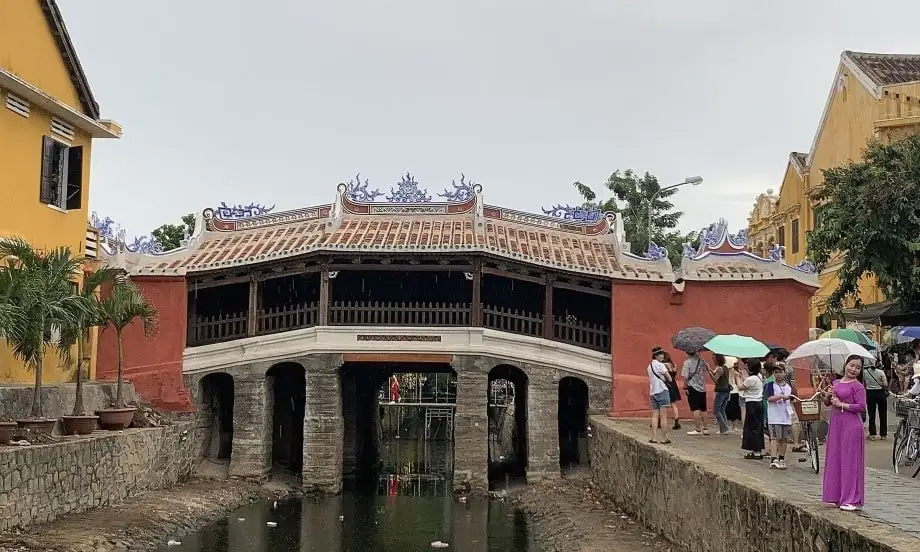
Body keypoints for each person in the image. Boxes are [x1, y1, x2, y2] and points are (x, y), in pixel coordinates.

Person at [822, 355, 867, 511]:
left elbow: (861, 406)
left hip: (851, 426)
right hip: (836, 425)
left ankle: (851, 499)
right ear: (845, 365)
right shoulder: (835, 383)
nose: (853, 369)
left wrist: (842, 404)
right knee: (835, 458)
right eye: (851, 365)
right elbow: (828, 402)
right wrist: (829, 393)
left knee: (850, 461)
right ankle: (836, 495)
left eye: (858, 367)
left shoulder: (858, 386)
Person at [765, 364, 794, 469]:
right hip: (774, 416)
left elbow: (793, 397)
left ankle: (781, 458)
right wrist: (781, 396)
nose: (778, 375)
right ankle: (774, 459)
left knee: (784, 438)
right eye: (776, 372)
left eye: (780, 372)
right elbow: (769, 398)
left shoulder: (788, 386)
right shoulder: (770, 385)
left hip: (786, 416)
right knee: (775, 438)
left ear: (784, 373)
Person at [740, 359, 765, 459]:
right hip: (758, 403)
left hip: (752, 403)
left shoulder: (751, 379)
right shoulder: (758, 377)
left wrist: (737, 377)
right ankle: (756, 450)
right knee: (757, 427)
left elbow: (741, 387)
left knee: (752, 428)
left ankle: (756, 451)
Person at [647, 347, 673, 444]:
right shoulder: (661, 365)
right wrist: (666, 370)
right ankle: (663, 438)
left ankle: (654, 437)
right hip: (662, 391)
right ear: (656, 356)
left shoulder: (649, 366)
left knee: (654, 415)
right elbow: (669, 378)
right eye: (660, 354)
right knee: (663, 416)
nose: (662, 356)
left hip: (653, 392)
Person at [682, 350, 710, 436]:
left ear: (687, 352)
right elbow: (706, 371)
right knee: (704, 409)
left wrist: (685, 386)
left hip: (692, 387)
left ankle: (697, 429)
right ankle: (705, 429)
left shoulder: (687, 362)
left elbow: (686, 376)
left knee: (695, 408)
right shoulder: (702, 361)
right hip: (702, 387)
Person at [863, 362, 889, 440]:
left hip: (870, 393)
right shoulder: (881, 372)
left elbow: (863, 383)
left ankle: (872, 434)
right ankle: (883, 434)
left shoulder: (864, 372)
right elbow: (885, 384)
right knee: (883, 414)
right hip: (880, 393)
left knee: (871, 414)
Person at [709, 354, 732, 435]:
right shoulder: (725, 367)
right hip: (727, 390)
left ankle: (724, 429)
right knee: (722, 410)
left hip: (721, 391)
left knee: (716, 410)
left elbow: (715, 380)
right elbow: (715, 373)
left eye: (714, 358)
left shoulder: (719, 368)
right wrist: (709, 369)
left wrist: (709, 372)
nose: (713, 360)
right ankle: (725, 428)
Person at [662, 352, 682, 430]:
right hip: (673, 385)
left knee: (663, 404)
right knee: (673, 404)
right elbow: (673, 374)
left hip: (667, 385)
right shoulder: (673, 365)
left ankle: (660, 421)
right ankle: (677, 421)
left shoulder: (665, 365)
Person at [726, 357, 743, 432]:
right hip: (735, 392)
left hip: (732, 391)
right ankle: (734, 426)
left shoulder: (729, 371)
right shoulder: (736, 371)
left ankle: (730, 425)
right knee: (735, 409)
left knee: (730, 408)